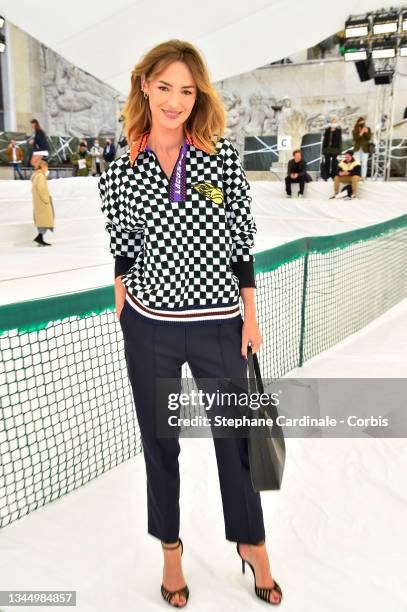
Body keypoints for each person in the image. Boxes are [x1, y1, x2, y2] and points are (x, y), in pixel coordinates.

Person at [99, 39, 283, 608]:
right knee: (160, 444)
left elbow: (241, 242)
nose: (175, 100)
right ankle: (171, 549)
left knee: (238, 442)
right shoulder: (119, 165)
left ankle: (251, 543)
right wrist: (122, 288)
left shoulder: (220, 160)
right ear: (144, 87)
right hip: (149, 325)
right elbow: (124, 243)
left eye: (187, 89)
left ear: (197, 94)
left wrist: (250, 315)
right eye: (164, 88)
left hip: (219, 324)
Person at [31, 159, 54, 246]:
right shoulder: (40, 176)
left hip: (38, 202)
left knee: (42, 221)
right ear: (43, 166)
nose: (47, 168)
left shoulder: (36, 175)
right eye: (46, 166)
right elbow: (41, 189)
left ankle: (40, 238)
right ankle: (39, 238)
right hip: (42, 202)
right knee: (45, 221)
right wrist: (46, 199)